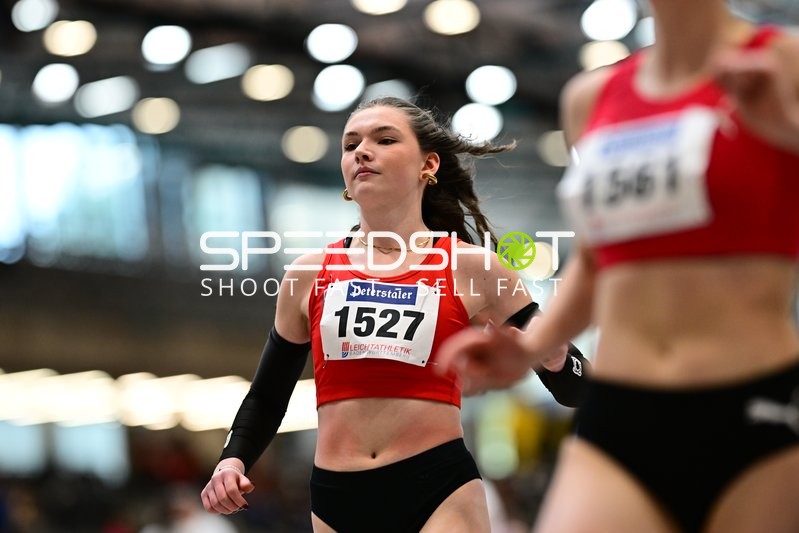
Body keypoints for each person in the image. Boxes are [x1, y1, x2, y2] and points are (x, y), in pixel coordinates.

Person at [437, 1, 799, 532]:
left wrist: (787, 129)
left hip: (751, 404)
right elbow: (597, 257)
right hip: (621, 409)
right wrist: (531, 349)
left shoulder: (783, 64)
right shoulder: (591, 98)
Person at [199, 96, 587, 532]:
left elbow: (579, 389)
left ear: (429, 165)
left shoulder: (474, 268)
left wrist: (554, 357)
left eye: (384, 139)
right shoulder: (307, 274)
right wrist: (232, 458)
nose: (362, 151)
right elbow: (268, 394)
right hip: (337, 497)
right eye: (350, 145)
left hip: (439, 488)